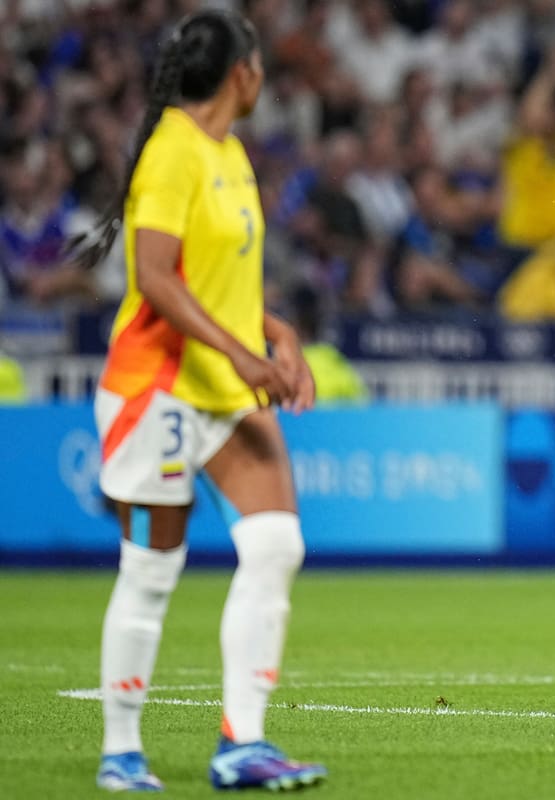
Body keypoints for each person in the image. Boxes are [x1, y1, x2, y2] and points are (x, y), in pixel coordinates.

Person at [70, 11, 327, 792]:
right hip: (158, 387)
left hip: (221, 385)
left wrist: (278, 335)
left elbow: (226, 283)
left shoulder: (231, 153)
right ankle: (121, 752)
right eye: (259, 69)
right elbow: (154, 279)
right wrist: (247, 352)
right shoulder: (173, 151)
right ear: (242, 72)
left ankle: (241, 744)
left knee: (277, 545)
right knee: (152, 569)